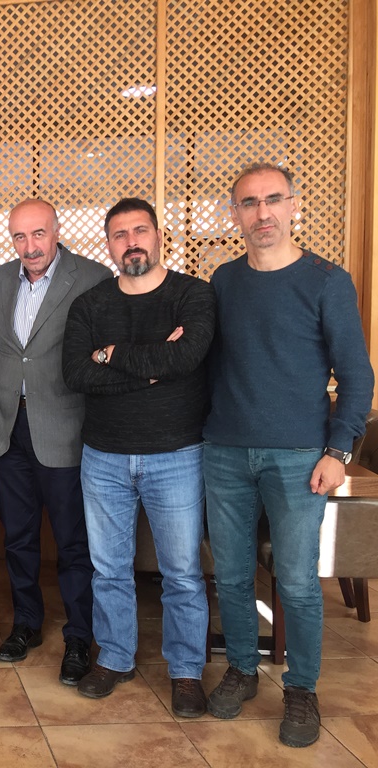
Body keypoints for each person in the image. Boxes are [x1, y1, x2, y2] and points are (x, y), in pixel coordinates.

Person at [203, 163, 374, 747]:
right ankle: (242, 669)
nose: (262, 213)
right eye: (249, 203)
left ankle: (301, 687)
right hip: (224, 451)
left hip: (300, 457)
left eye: (273, 199)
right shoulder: (224, 281)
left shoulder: (328, 281)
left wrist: (338, 451)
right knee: (230, 575)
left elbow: (356, 376)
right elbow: (211, 364)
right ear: (234, 214)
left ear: (293, 205)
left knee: (298, 582)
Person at [62, 198, 215, 717]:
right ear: (108, 244)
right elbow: (75, 375)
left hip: (177, 455)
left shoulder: (193, 294)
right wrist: (153, 369)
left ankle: (186, 671)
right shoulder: (89, 305)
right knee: (108, 569)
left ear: (158, 236)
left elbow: (185, 357)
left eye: (140, 231)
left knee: (182, 573)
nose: (131, 242)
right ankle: (115, 657)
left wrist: (111, 354)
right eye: (120, 234)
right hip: (103, 457)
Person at [0, 199, 111, 683]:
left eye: (38, 234)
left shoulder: (93, 278)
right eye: (20, 236)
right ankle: (27, 623)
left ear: (57, 231)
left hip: (64, 428)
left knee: (73, 541)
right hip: (8, 430)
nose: (30, 246)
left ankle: (79, 635)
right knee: (17, 537)